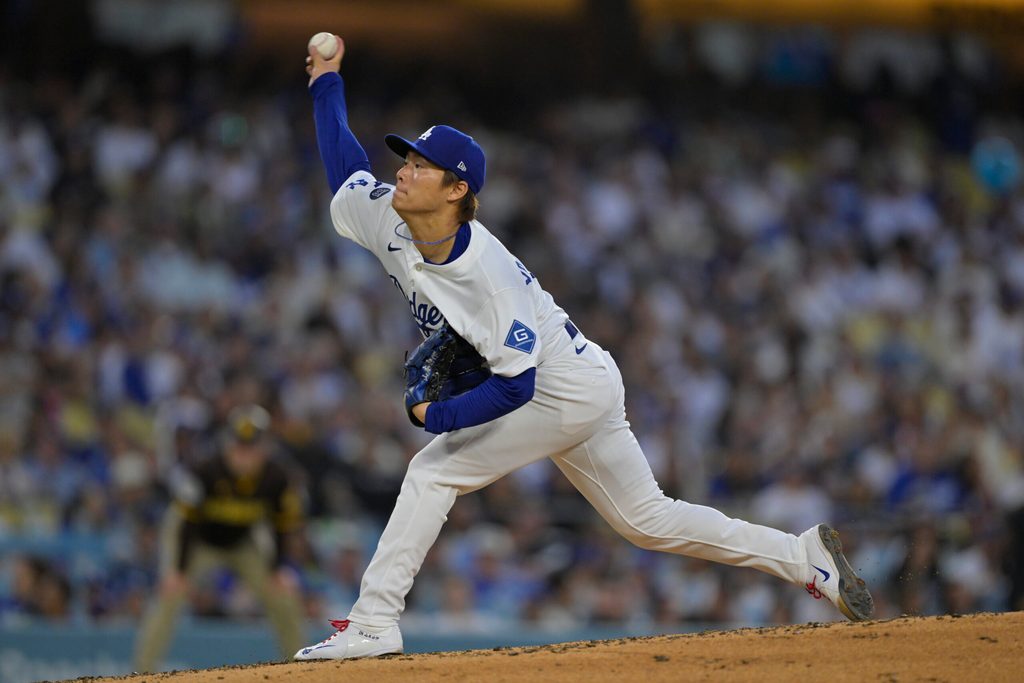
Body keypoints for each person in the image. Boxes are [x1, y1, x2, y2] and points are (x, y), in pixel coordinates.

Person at [295, 36, 873, 660]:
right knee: (647, 521)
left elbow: (515, 386)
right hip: (587, 377)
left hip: (556, 387)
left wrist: (432, 416)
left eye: (419, 164)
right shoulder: (391, 217)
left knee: (433, 469)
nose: (402, 169)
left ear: (456, 190)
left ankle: (376, 621)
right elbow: (345, 170)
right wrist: (326, 81)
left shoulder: (486, 276)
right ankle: (803, 557)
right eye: (405, 159)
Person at [134, 405, 305, 672]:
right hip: (197, 541)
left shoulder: (276, 477)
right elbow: (186, 523)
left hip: (243, 542)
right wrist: (177, 570)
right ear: (228, 444)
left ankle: (300, 671)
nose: (244, 455)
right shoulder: (205, 470)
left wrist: (279, 568)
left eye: (251, 448)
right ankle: (142, 673)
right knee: (169, 595)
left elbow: (281, 525)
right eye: (239, 446)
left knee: (283, 595)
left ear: (265, 448)